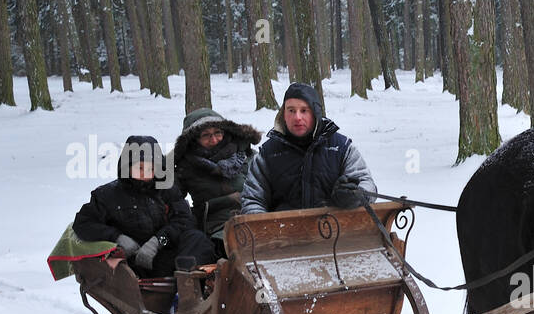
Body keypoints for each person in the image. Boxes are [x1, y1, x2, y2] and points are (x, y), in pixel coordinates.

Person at [73, 136, 216, 276]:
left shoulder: (167, 190)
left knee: (197, 238)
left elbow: (185, 221)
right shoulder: (107, 195)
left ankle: (187, 284)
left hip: (164, 255)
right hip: (132, 261)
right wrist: (117, 237)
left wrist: (158, 241)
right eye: (139, 167)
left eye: (150, 168)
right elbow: (83, 223)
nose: (145, 173)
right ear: (127, 167)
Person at [241, 83, 377, 215]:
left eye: (304, 110)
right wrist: (264, 228)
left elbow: (367, 184)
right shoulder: (268, 154)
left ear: (315, 113)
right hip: (283, 235)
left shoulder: (341, 147)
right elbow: (252, 200)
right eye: (291, 110)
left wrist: (354, 195)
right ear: (283, 114)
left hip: (338, 233)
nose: (297, 117)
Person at [171, 108, 262, 256]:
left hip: (254, 218)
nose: (213, 140)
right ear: (193, 140)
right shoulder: (186, 166)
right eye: (205, 135)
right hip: (215, 227)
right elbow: (169, 196)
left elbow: (268, 185)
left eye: (217, 133)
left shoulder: (246, 155)